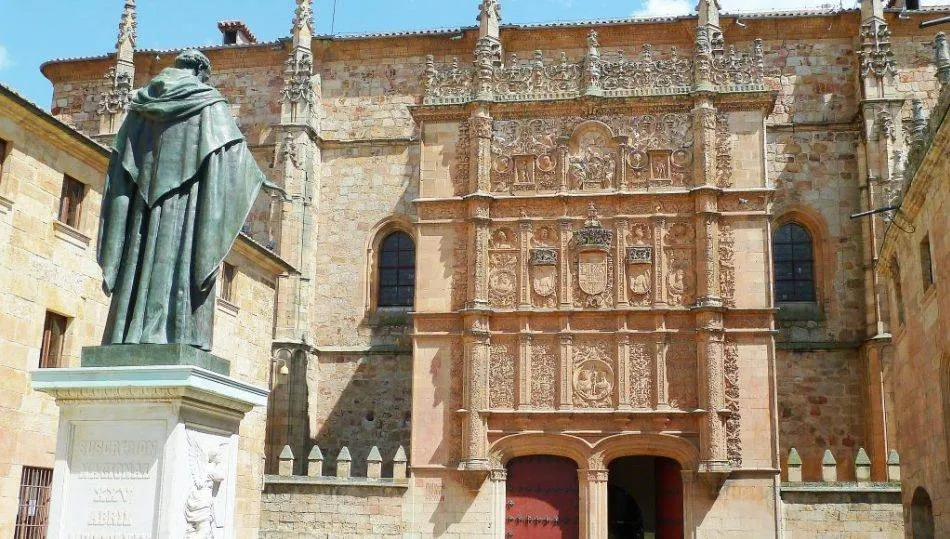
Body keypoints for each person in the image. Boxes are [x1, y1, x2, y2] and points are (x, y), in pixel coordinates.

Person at [98, 50, 282, 350]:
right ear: (200, 72)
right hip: (186, 209)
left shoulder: (141, 104)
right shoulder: (207, 101)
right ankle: (176, 336)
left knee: (140, 256)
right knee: (182, 259)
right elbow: (232, 151)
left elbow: (122, 160)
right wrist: (262, 180)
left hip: (142, 210)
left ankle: (127, 331)